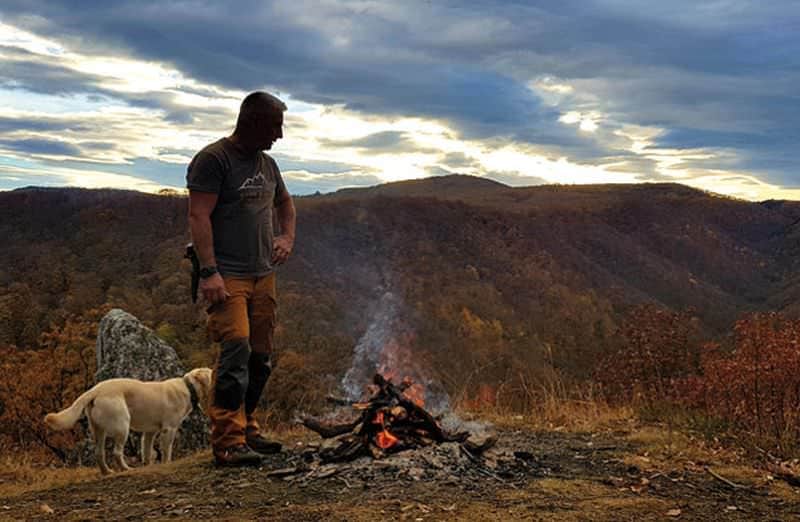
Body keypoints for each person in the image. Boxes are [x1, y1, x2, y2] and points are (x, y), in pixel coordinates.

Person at [186, 91, 296, 467]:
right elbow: (198, 216)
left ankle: (248, 427)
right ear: (253, 122)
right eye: (275, 126)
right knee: (235, 353)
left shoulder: (268, 164)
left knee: (261, 359)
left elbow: (285, 204)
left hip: (264, 275)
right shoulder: (213, 160)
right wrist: (209, 271)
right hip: (227, 276)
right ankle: (227, 442)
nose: (279, 135)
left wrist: (286, 237)